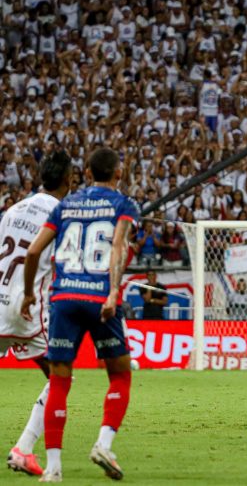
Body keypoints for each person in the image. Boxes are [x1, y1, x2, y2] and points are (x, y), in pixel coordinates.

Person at [21, 147, 139, 481]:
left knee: (59, 380)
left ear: (86, 173)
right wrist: (113, 292)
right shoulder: (122, 204)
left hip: (64, 298)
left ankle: (53, 468)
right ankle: (103, 443)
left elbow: (33, 251)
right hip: (99, 298)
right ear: (118, 173)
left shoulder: (66, 204)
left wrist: (30, 293)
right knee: (119, 375)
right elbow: (117, 247)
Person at [3, 152, 71, 477]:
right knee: (59, 377)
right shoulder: (61, 213)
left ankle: (24, 450)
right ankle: (24, 448)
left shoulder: (13, 208)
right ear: (69, 180)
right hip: (26, 308)